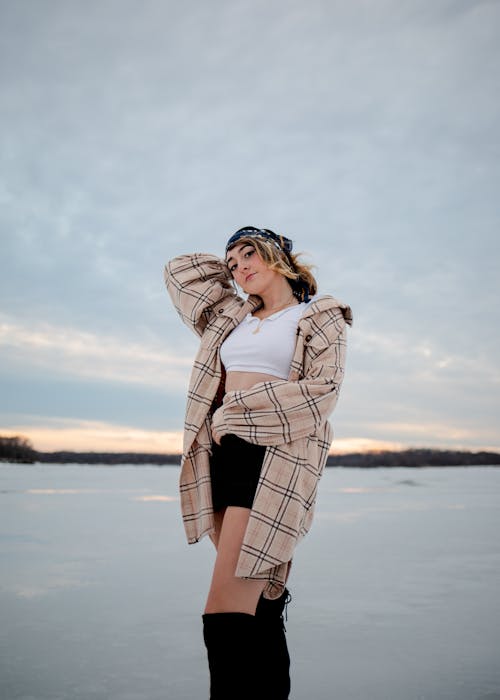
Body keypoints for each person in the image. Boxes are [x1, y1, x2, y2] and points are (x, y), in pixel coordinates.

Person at [164, 226, 353, 700]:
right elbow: (179, 272)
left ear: (277, 254)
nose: (239, 267)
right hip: (222, 458)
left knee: (224, 610)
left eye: (250, 254)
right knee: (258, 606)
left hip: (272, 459)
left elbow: (322, 392)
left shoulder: (317, 315)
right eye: (231, 264)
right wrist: (234, 272)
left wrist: (237, 411)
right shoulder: (230, 316)